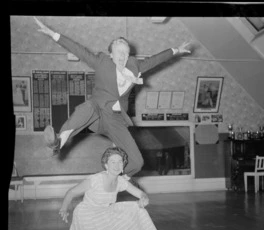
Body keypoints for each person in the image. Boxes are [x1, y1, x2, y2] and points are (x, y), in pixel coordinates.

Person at [34, 17, 192, 177]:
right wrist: (53, 34)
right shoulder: (101, 62)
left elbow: (155, 60)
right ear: (111, 54)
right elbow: (78, 49)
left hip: (115, 119)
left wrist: (175, 50)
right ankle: (57, 143)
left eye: (126, 53)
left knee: (138, 162)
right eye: (119, 52)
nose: (123, 56)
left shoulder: (134, 67)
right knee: (87, 107)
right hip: (97, 110)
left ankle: (117, 178)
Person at [59, 146, 163, 230]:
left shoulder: (121, 181)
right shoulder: (95, 179)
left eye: (120, 162)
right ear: (106, 165)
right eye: (113, 162)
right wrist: (64, 209)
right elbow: (71, 192)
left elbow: (141, 194)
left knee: (137, 208)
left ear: (123, 165)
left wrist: (144, 198)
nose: (116, 165)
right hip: (87, 215)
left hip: (105, 212)